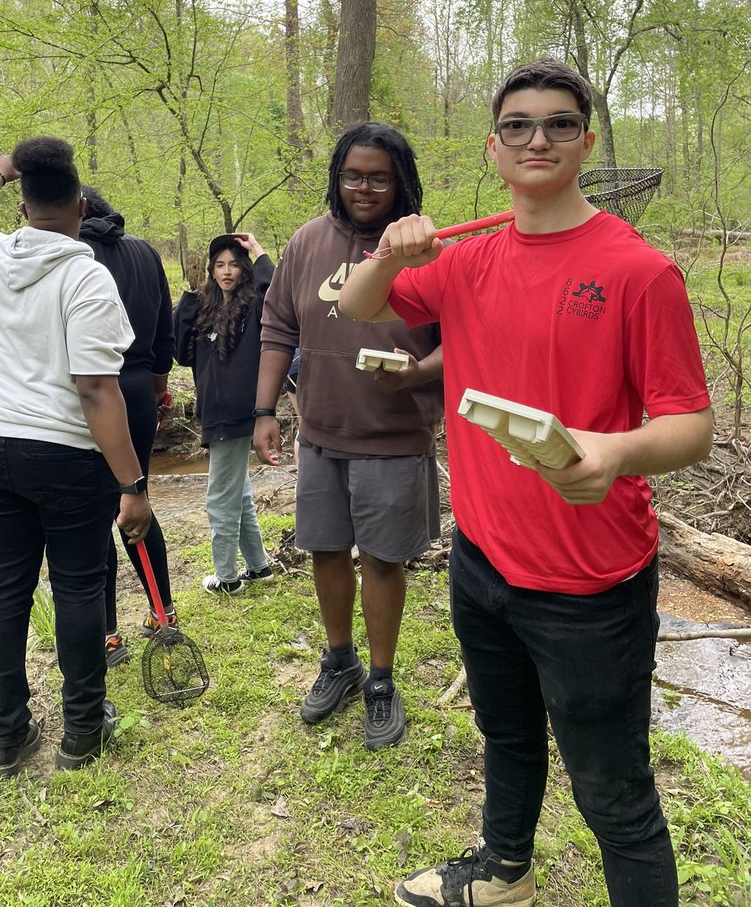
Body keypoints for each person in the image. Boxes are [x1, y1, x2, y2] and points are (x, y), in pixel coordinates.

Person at [338, 60, 713, 907]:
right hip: (482, 559)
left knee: (614, 791)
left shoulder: (638, 270)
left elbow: (691, 425)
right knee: (505, 737)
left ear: (585, 142)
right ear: (494, 146)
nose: (536, 138)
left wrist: (613, 454)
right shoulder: (467, 262)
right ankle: (504, 870)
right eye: (517, 125)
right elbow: (361, 307)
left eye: (557, 124)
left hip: (589, 582)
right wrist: (388, 249)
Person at [0, 138, 153, 777]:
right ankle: (82, 729)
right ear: (78, 203)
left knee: (4, 585)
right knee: (75, 585)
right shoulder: (84, 275)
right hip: (64, 454)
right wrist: (134, 483)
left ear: (23, 200)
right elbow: (96, 389)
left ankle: (5, 736)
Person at [253, 123, 444, 752]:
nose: (363, 187)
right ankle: (340, 662)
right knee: (326, 549)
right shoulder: (309, 240)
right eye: (352, 175)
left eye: (378, 176)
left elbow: (465, 339)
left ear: (401, 182)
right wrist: (264, 411)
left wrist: (416, 373)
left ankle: (382, 681)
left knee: (384, 560)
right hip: (321, 432)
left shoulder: (425, 246)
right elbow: (278, 325)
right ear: (337, 177)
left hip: (393, 433)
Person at [79, 186, 177, 668]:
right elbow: (165, 331)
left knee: (98, 512)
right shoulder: (143, 252)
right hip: (139, 388)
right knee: (136, 498)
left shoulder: (73, 254)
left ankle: (108, 635)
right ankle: (164, 614)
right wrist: (158, 388)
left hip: (94, 390)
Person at [174, 233, 275, 595]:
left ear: (244, 268)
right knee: (239, 492)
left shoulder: (254, 306)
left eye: (234, 264)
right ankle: (258, 566)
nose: (227, 271)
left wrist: (259, 252)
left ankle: (227, 577)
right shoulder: (207, 309)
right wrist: (188, 301)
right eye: (220, 265)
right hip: (215, 411)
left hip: (237, 412)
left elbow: (276, 288)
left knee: (219, 497)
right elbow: (181, 354)